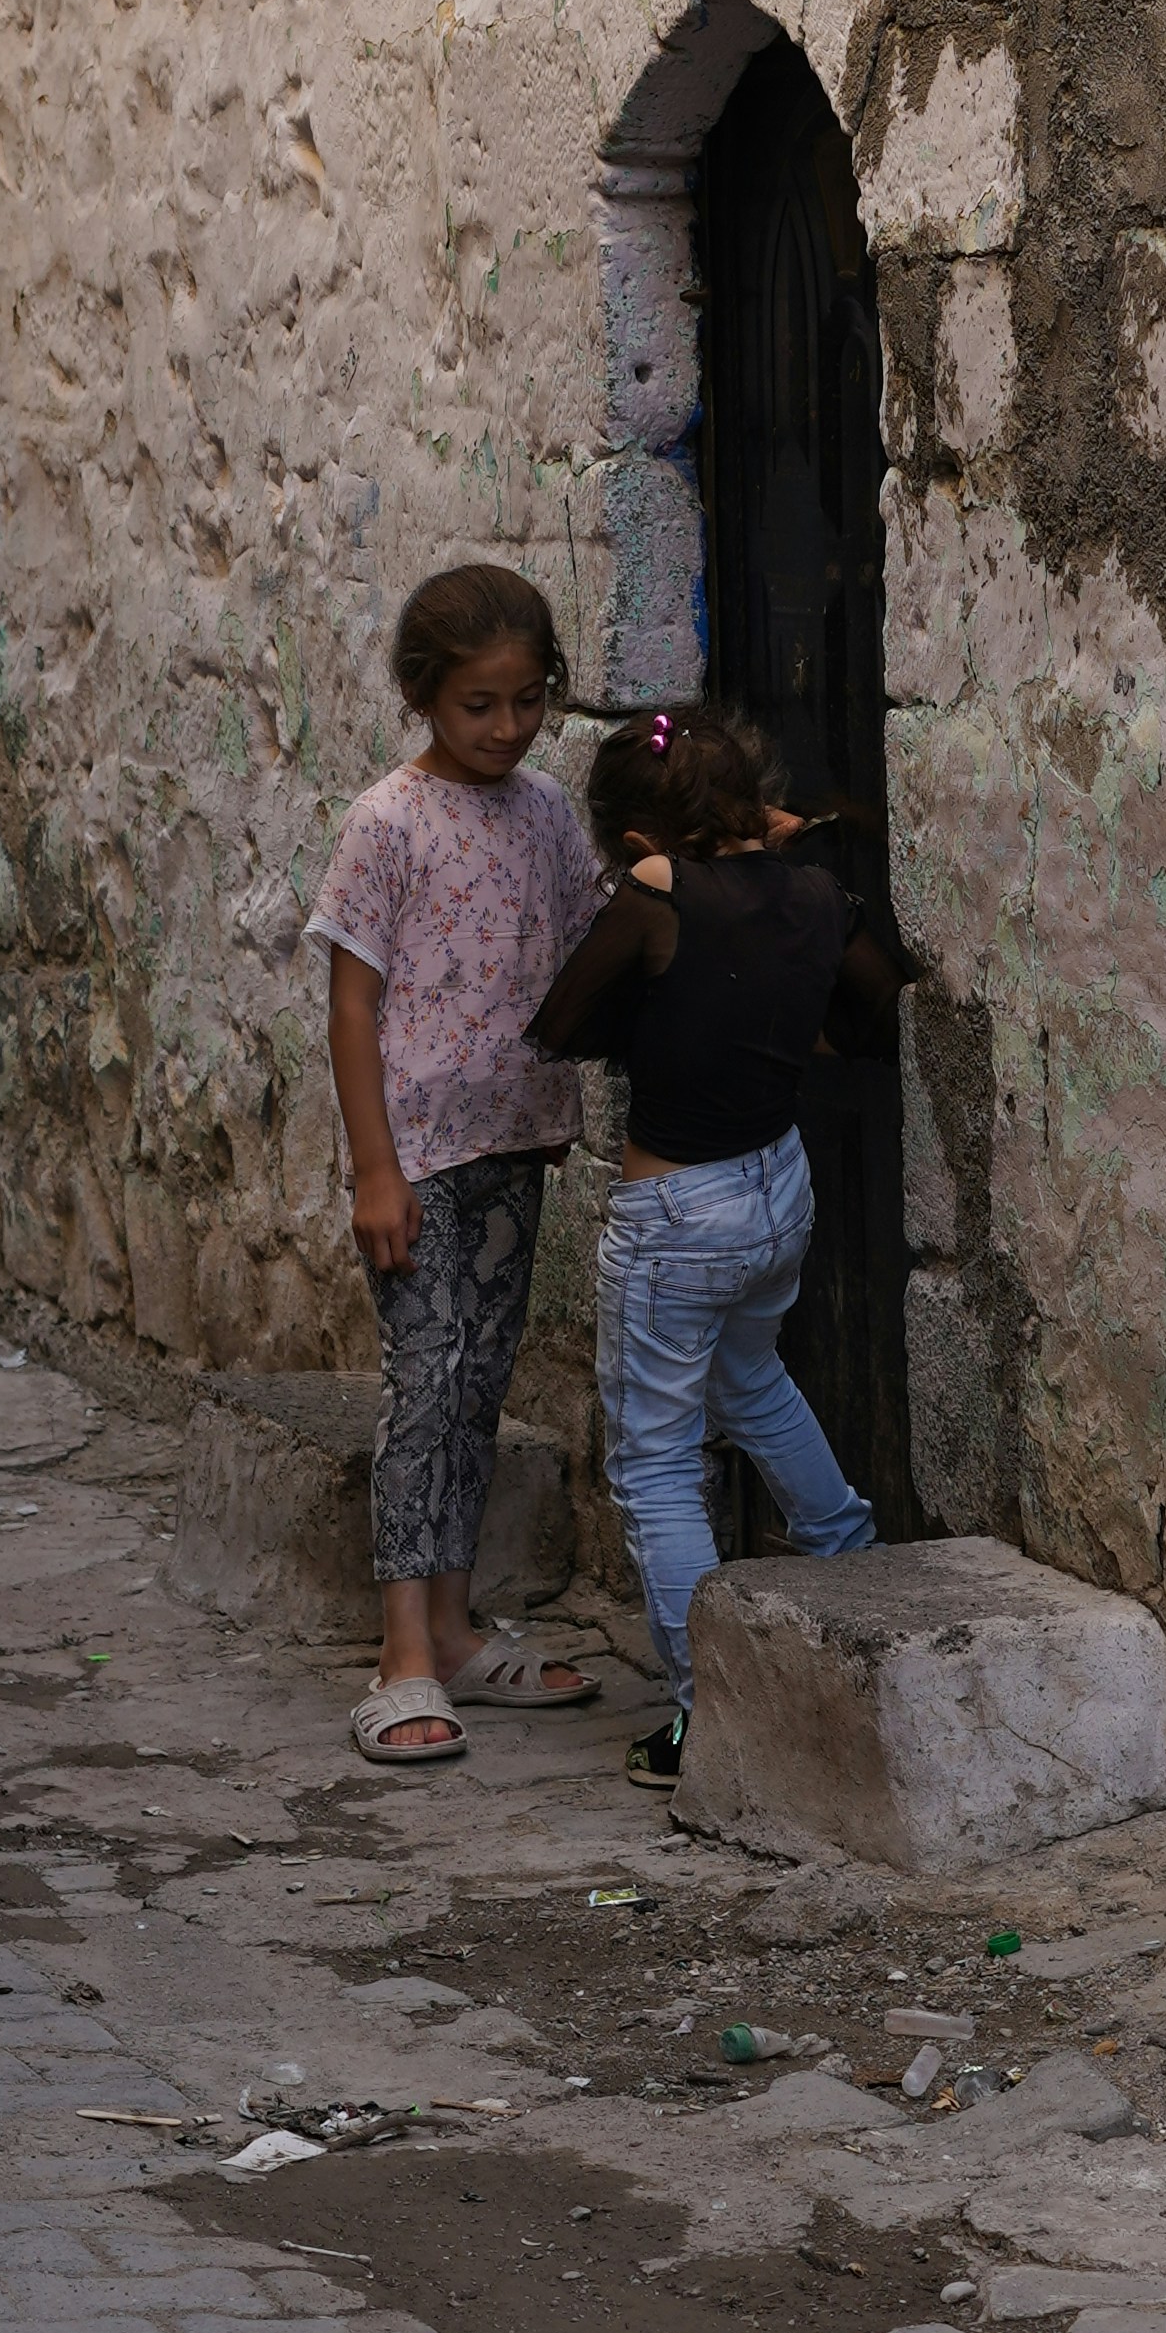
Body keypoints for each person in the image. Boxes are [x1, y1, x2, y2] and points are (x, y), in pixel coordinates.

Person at [531, 699, 906, 1790]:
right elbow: (875, 1005)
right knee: (749, 1378)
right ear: (758, 802)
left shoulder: (655, 896)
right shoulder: (817, 896)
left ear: (640, 842)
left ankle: (710, 1718)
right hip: (775, 1191)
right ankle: (852, 1565)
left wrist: (649, 894)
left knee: (653, 1461)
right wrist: (777, 863)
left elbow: (562, 1023)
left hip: (675, 1215)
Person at [306, 562, 607, 1766]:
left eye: (528, 701)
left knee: (480, 1381)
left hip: (515, 1136)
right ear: (425, 696)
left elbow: (587, 940)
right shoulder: (387, 822)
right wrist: (374, 1169)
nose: (506, 728)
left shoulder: (544, 813)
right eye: (479, 705)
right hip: (420, 1153)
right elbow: (349, 1004)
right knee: (424, 1385)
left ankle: (458, 1626)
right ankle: (401, 1656)